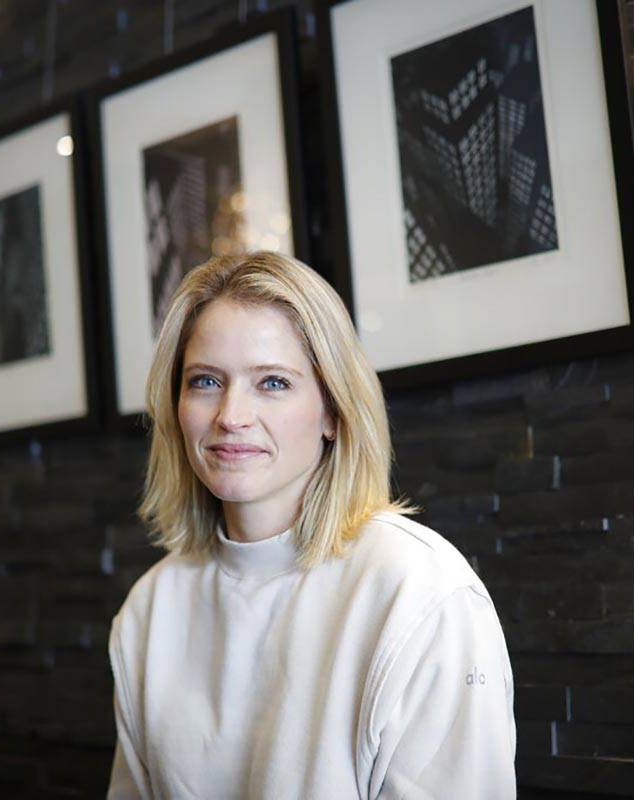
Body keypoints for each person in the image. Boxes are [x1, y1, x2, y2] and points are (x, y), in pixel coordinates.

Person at [107, 251, 516, 798]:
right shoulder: (150, 608)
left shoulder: (419, 591)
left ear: (332, 409)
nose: (231, 415)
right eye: (205, 381)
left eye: (272, 382)